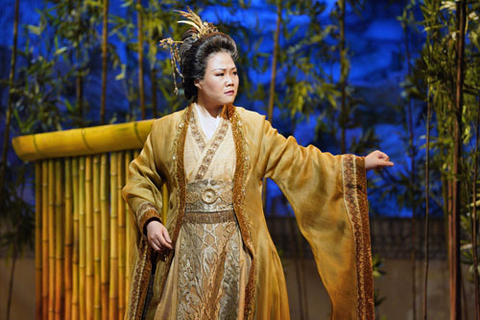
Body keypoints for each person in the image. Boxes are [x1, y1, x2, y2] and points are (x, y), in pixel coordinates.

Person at [122, 8, 393, 320]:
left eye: (234, 73)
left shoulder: (253, 127)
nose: (230, 81)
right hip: (184, 254)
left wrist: (357, 165)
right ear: (197, 80)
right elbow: (140, 178)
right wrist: (151, 220)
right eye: (220, 74)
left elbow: (299, 161)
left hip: (241, 256)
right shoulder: (166, 129)